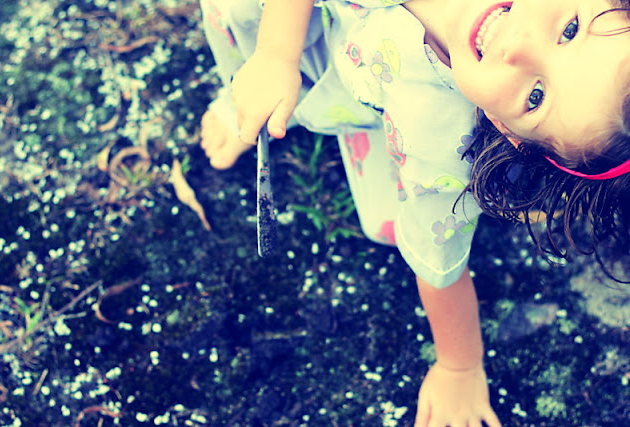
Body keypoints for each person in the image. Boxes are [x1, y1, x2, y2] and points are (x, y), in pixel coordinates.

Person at [197, 0, 630, 425]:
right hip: (285, 24)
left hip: (354, 89)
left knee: (387, 229)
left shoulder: (445, 140)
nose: (520, 47)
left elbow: (439, 263)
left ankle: (340, 119)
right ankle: (245, 101)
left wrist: (460, 366)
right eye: (570, 29)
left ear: (507, 131)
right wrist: (276, 53)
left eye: (536, 97)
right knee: (231, 8)